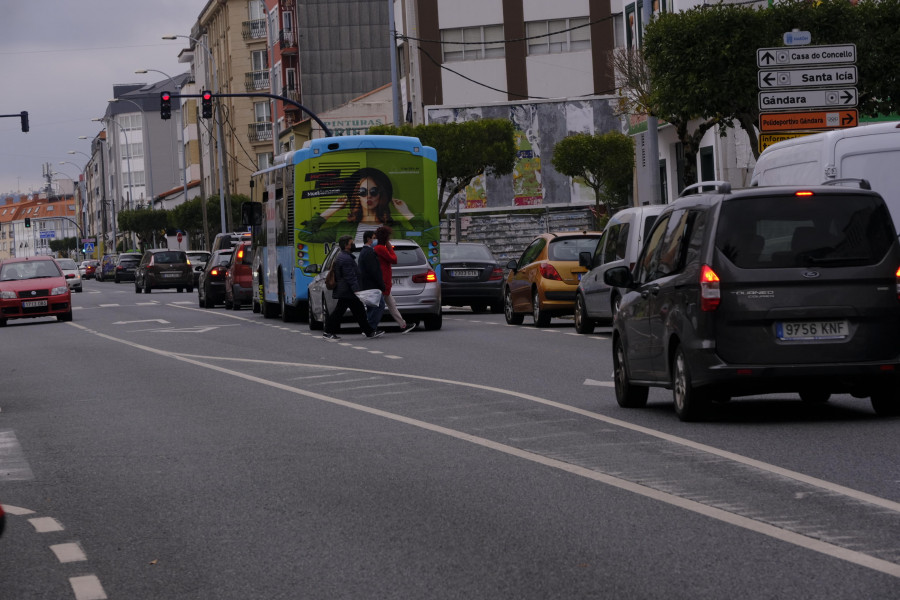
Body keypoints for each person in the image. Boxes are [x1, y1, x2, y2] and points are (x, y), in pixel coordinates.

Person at [300, 167, 423, 245]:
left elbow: (424, 237)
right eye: (363, 192)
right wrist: (331, 210)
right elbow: (306, 235)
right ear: (357, 196)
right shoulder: (345, 228)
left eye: (373, 192)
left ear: (381, 195)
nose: (368, 196)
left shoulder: (395, 227)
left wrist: (406, 212)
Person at [323, 235, 384, 340]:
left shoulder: (343, 256)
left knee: (359, 312)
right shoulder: (346, 259)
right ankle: (328, 331)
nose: (353, 245)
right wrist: (356, 290)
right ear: (346, 245)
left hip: (347, 290)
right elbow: (350, 277)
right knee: (340, 312)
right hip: (348, 291)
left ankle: (369, 331)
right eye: (352, 243)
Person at [373, 225, 416, 334]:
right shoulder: (381, 248)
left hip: (384, 280)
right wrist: (390, 247)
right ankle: (370, 327)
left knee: (391, 304)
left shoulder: (378, 247)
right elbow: (394, 259)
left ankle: (403, 325)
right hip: (384, 281)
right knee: (378, 306)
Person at [357, 229, 386, 331]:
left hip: (366, 284)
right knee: (379, 305)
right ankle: (371, 328)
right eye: (374, 238)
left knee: (372, 307)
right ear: (369, 239)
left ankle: (369, 328)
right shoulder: (369, 252)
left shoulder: (364, 252)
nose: (375, 240)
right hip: (372, 285)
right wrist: (381, 284)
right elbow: (374, 271)